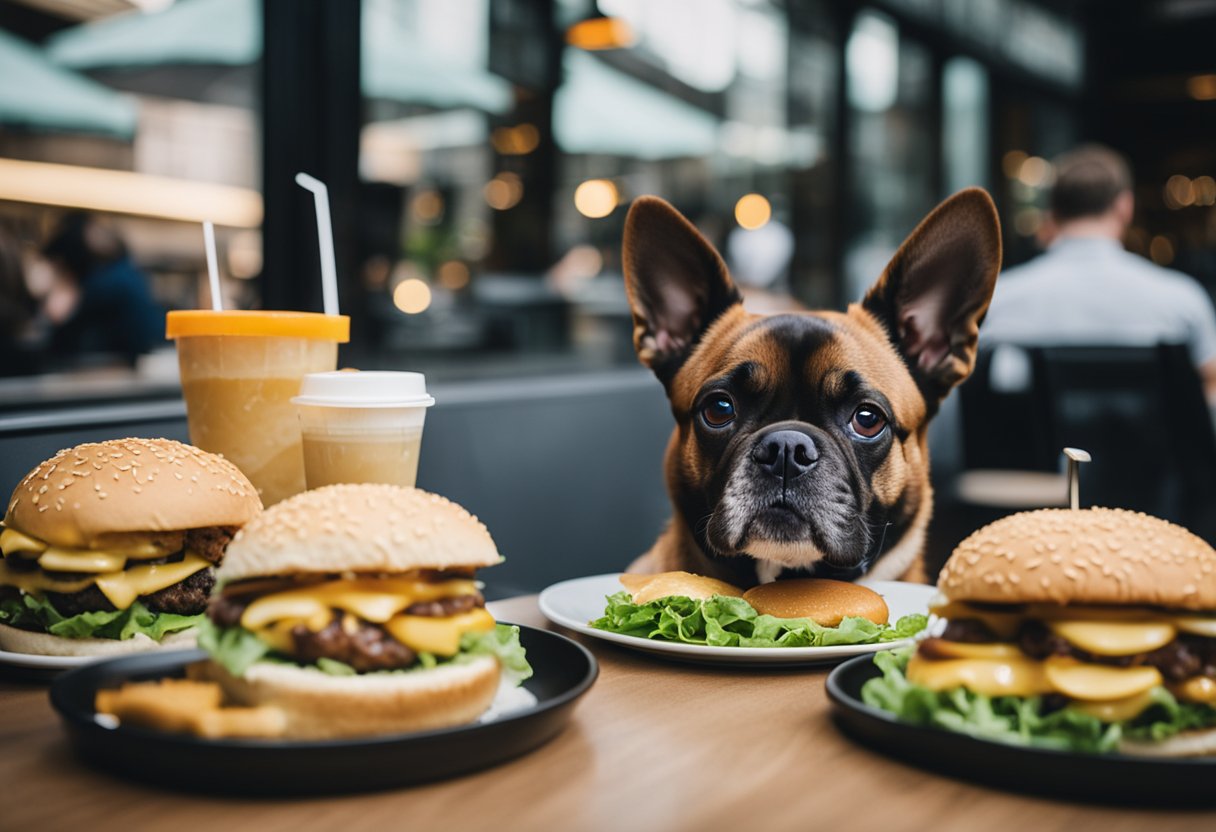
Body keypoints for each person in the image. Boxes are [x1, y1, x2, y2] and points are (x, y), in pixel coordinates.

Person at [981, 145, 1216, 403]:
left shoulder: (998, 301)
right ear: (1125, 207)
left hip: (1035, 444)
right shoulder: (1182, 301)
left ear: (1053, 212)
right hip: (1147, 444)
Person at [40, 212, 164, 366]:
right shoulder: (125, 272)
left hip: (125, 369)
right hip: (140, 363)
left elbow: (62, 341)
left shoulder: (106, 284)